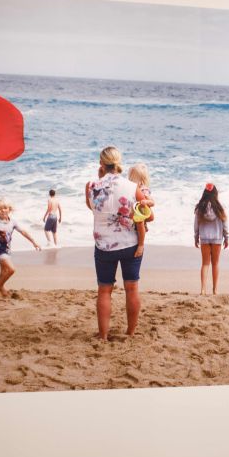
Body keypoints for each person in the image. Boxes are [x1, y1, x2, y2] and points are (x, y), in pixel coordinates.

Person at [85, 146, 142, 340]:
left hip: (104, 245)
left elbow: (91, 207)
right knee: (132, 288)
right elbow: (144, 212)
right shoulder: (132, 187)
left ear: (101, 164)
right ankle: (131, 331)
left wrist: (98, 177)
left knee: (104, 290)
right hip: (130, 244)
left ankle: (103, 335)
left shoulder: (92, 186)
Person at [0, 197, 41, 297]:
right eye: (0, 209)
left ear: (10, 209)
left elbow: (23, 232)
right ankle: (0, 287)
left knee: (3, 271)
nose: (3, 210)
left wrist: (34, 242)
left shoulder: (13, 222)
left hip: (8, 250)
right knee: (11, 270)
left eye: (5, 208)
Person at [193, 183, 229, 295]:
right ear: (215, 194)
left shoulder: (200, 207)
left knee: (205, 264)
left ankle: (203, 290)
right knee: (215, 264)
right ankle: (215, 290)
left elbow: (196, 224)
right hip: (217, 238)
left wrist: (196, 236)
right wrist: (226, 237)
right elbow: (225, 223)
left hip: (204, 238)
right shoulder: (219, 207)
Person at [128, 162, 156, 258]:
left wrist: (146, 202)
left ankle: (141, 245)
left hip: (141, 213)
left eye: (131, 177)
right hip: (136, 211)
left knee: (140, 224)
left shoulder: (143, 189)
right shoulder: (132, 188)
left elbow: (152, 202)